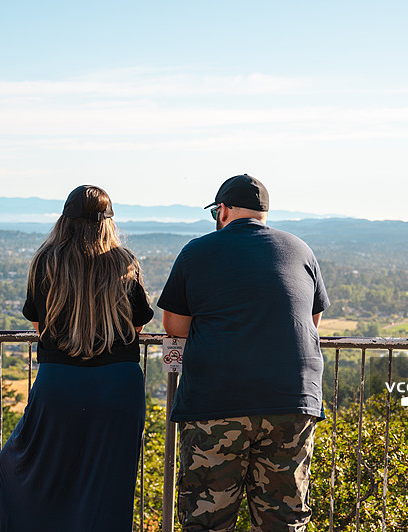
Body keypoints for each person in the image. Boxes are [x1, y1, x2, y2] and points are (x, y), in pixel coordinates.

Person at [158, 174, 329, 531]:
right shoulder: (300, 249)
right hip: (292, 399)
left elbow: (174, 325)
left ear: (222, 210)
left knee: (207, 519)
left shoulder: (197, 251)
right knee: (283, 520)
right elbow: (312, 321)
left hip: (217, 401)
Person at [0, 185, 154, 531]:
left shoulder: (46, 262)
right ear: (108, 223)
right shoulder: (125, 264)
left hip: (60, 383)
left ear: (64, 219)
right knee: (107, 486)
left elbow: (39, 324)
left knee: (25, 468)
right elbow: (138, 323)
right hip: (119, 386)